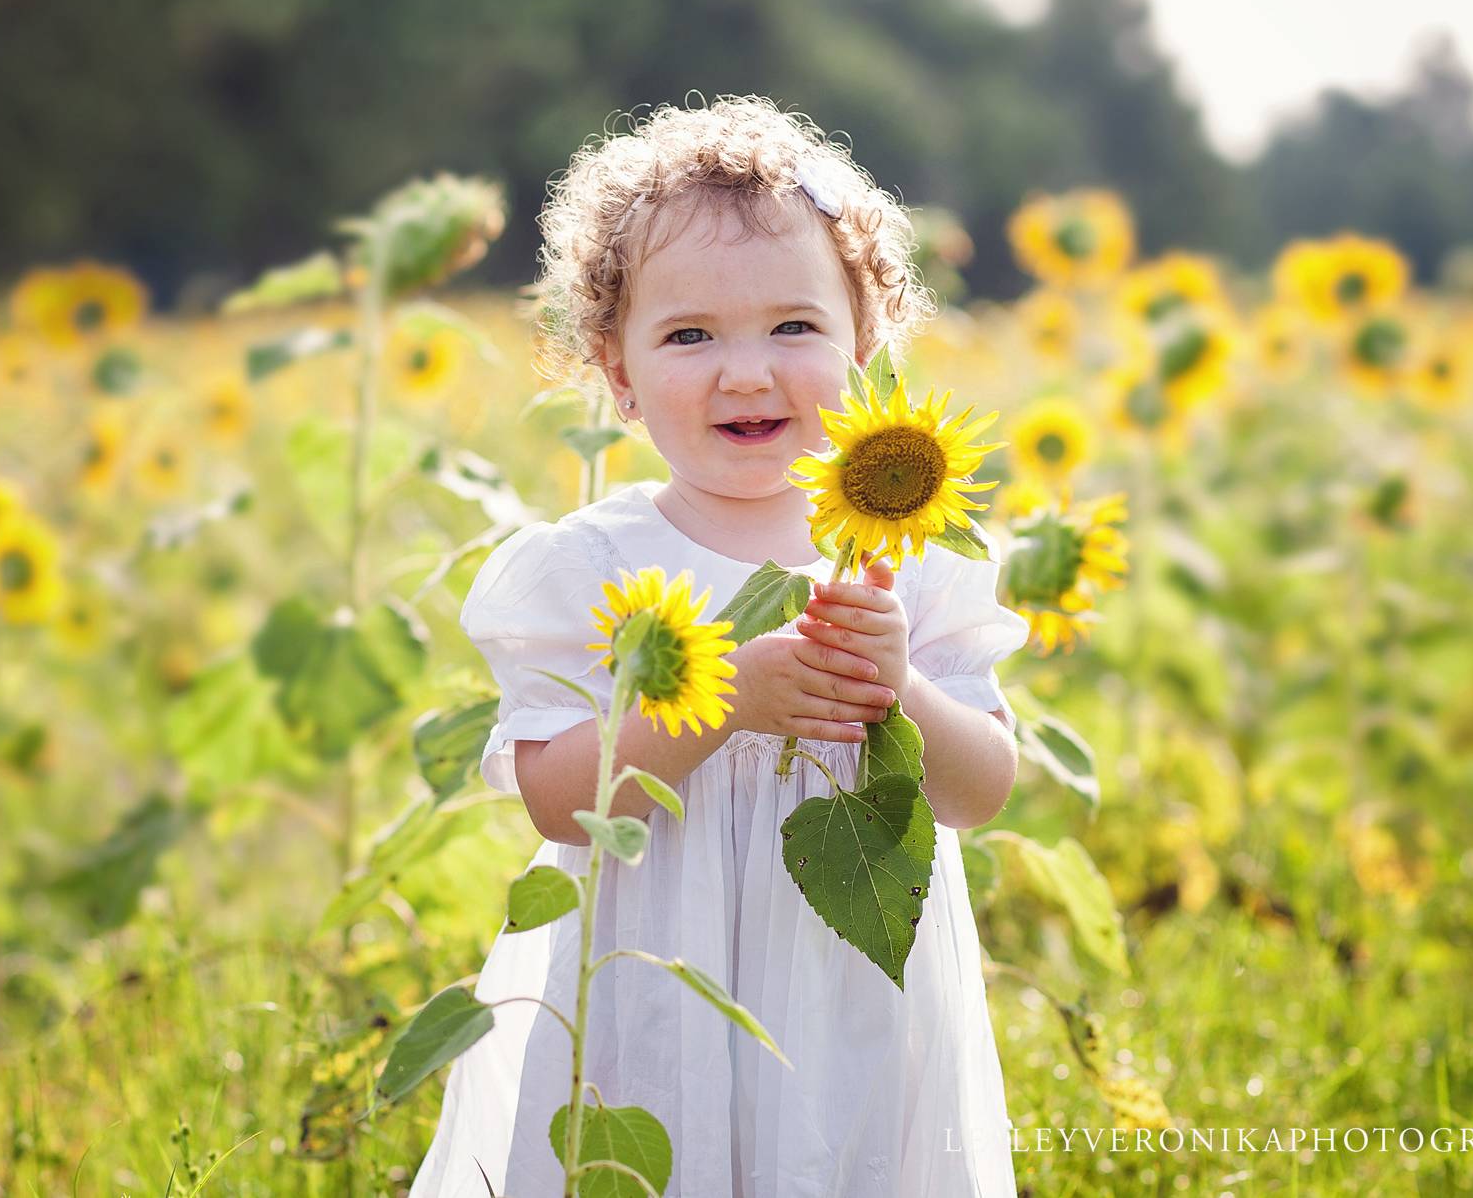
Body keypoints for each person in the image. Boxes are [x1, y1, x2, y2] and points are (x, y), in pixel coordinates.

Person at [409, 95, 1028, 1197]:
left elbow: (979, 788)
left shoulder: (908, 548)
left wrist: (900, 690)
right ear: (616, 371)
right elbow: (562, 799)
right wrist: (724, 694)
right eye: (689, 335)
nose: (746, 372)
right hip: (656, 976)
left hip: (856, 993)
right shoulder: (594, 564)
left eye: (792, 326)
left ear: (865, 343)